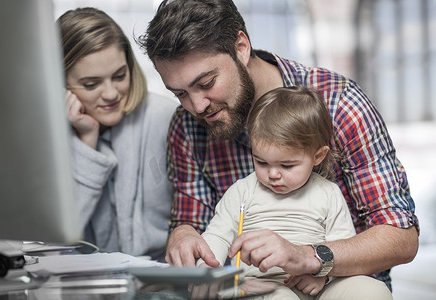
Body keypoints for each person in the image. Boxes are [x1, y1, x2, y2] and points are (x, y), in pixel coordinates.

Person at [137, 0, 419, 290]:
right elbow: (191, 222)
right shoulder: (187, 127)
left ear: (241, 47)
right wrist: (182, 234)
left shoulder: (339, 104)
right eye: (180, 93)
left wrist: (310, 257)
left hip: (338, 285)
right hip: (253, 288)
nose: (197, 106)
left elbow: (401, 237)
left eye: (207, 83)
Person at [196, 86, 392, 299]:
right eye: (261, 162)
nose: (272, 174)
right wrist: (207, 269)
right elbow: (217, 236)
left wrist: (323, 275)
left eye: (287, 166)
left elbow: (341, 249)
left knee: (371, 290)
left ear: (317, 156)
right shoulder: (242, 191)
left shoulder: (328, 193)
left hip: (317, 284)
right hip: (259, 286)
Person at [57, 7, 178, 261]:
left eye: (120, 76)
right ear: (60, 83)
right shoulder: (50, 139)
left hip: (162, 279)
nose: (111, 93)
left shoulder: (167, 118)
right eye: (91, 84)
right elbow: (57, 238)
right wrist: (87, 142)